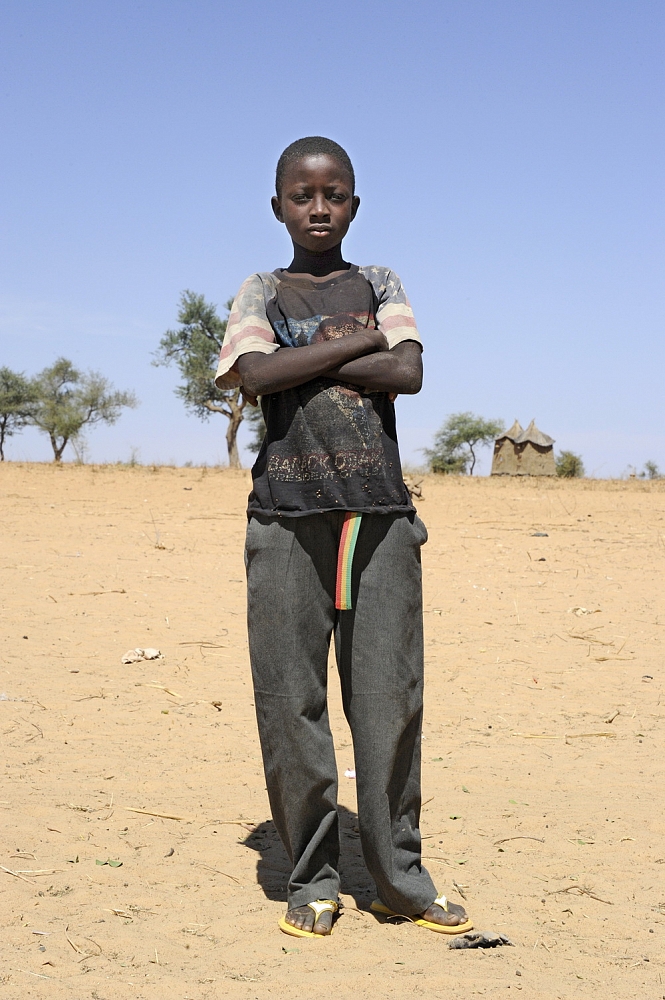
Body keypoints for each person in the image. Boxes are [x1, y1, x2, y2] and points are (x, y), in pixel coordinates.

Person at [215, 136, 472, 939]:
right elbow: (252, 378)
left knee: (389, 703)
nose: (317, 208)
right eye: (301, 195)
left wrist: (313, 354)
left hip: (380, 521)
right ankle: (313, 879)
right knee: (291, 705)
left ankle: (399, 879)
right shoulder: (260, 289)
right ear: (277, 206)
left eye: (333, 195)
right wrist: (365, 343)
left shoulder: (381, 281)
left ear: (354, 205)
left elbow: (409, 374)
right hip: (285, 523)